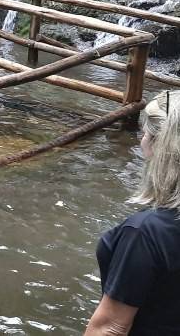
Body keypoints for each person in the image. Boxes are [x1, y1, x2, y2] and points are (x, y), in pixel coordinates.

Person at [85, 90, 180, 335]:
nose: (141, 141)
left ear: (161, 147)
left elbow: (110, 328)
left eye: (145, 133)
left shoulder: (146, 232)